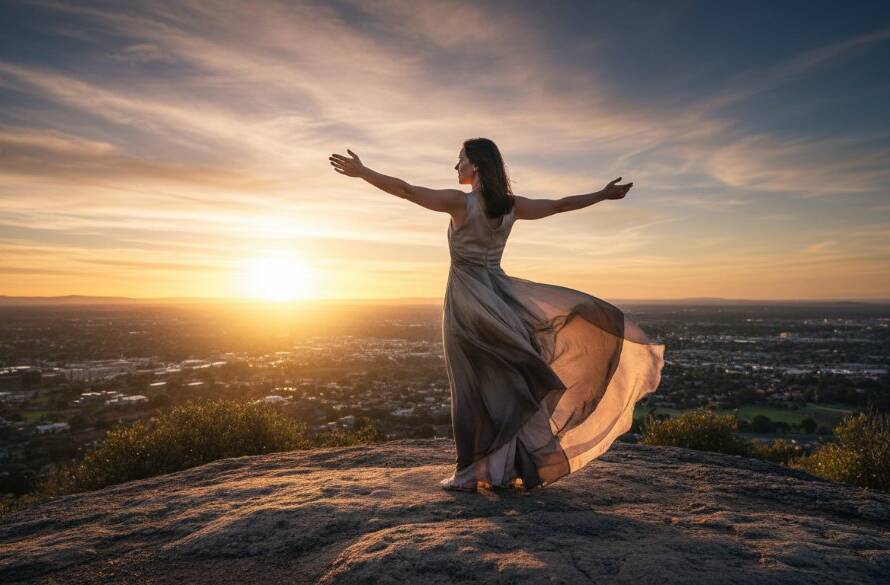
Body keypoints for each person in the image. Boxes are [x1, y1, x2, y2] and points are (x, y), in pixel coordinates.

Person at [329, 138, 665, 493]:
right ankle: (503, 469)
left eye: (459, 160)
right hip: (501, 299)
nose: (455, 166)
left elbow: (406, 190)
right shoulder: (511, 207)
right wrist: (600, 195)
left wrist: (363, 172)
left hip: (467, 303)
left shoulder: (460, 203)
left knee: (470, 387)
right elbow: (558, 205)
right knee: (502, 385)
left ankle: (469, 473)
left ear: (475, 165)